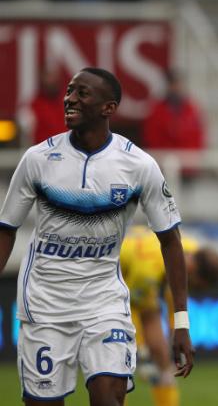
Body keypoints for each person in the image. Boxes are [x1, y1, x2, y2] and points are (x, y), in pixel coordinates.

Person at [0, 67, 194, 405]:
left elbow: (170, 241)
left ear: (109, 108)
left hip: (104, 304)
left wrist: (181, 322)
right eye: (70, 91)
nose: (70, 99)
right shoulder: (37, 160)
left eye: (82, 93)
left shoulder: (138, 165)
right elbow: (5, 230)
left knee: (109, 398)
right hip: (45, 306)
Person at [120, 225, 218, 406]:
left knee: (161, 361)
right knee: (119, 364)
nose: (193, 289)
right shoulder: (149, 271)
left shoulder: (189, 248)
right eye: (197, 285)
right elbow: (141, 313)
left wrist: (176, 332)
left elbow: (174, 297)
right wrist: (143, 351)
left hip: (135, 254)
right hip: (108, 280)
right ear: (194, 272)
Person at [142, 70, 207, 152]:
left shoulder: (192, 109)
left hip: (188, 159)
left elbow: (198, 137)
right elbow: (152, 138)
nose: (176, 88)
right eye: (173, 84)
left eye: (178, 83)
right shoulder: (156, 110)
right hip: (164, 158)